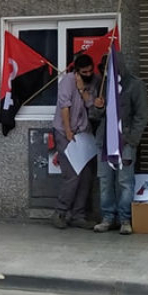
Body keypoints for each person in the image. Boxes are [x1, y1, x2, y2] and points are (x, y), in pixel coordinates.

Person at [89, 50, 148, 235]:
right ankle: (108, 217)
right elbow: (95, 116)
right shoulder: (103, 85)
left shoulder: (135, 85)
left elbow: (142, 114)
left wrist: (132, 139)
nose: (107, 72)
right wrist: (97, 108)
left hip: (125, 142)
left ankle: (125, 219)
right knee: (105, 180)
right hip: (104, 141)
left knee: (125, 181)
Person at [52, 54, 99, 230]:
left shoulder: (93, 80)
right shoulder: (67, 81)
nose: (88, 73)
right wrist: (68, 131)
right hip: (65, 133)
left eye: (90, 70)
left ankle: (79, 215)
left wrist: (82, 90)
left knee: (86, 175)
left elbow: (91, 105)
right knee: (72, 175)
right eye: (84, 71)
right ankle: (60, 212)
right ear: (77, 71)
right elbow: (65, 107)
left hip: (84, 133)